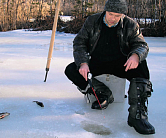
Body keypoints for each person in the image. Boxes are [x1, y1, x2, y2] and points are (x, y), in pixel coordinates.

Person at [64, 0, 155, 135]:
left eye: (117, 16)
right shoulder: (92, 21)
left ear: (122, 15)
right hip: (97, 62)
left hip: (121, 64)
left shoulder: (130, 24)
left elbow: (141, 45)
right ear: (105, 10)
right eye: (110, 14)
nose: (113, 18)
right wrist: (83, 62)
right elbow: (79, 42)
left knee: (142, 65)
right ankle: (103, 93)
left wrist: (136, 55)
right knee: (71, 69)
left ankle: (137, 114)